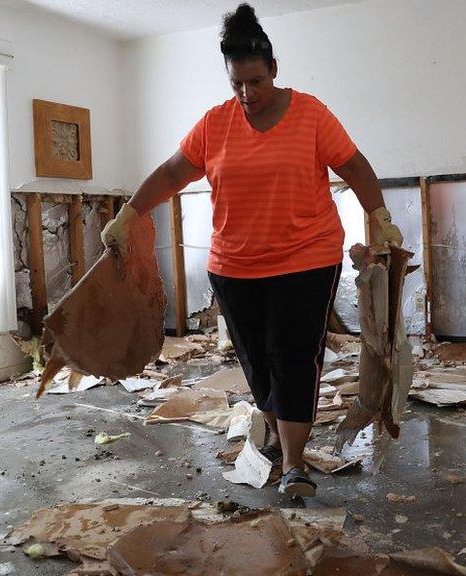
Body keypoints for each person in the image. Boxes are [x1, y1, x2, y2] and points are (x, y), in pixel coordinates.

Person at [101, 3, 402, 498]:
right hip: (233, 267)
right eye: (237, 83)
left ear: (274, 70)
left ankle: (294, 464)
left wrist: (382, 219)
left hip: (305, 258)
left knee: (294, 356)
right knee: (257, 360)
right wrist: (129, 213)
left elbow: (354, 166)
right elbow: (175, 172)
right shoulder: (215, 123)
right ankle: (278, 433)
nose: (247, 94)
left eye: (256, 82)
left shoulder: (310, 113)